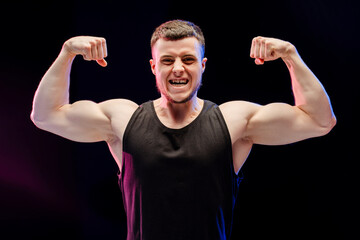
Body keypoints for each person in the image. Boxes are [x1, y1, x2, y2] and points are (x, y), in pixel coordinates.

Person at [31, 20, 336, 240]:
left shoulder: (233, 120)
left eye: (188, 59)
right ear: (154, 67)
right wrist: (67, 53)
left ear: (203, 65)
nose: (178, 68)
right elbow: (45, 116)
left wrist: (290, 56)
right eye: (168, 60)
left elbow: (319, 121)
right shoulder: (123, 118)